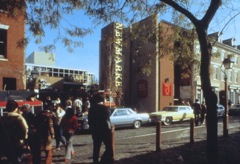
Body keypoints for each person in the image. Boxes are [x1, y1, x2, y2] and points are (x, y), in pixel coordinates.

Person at [88, 94, 114, 164]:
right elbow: (107, 120)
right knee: (109, 147)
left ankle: (95, 162)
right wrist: (110, 128)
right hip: (105, 130)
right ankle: (104, 160)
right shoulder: (104, 108)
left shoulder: (91, 109)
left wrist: (92, 130)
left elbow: (90, 121)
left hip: (95, 131)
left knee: (96, 148)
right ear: (102, 100)